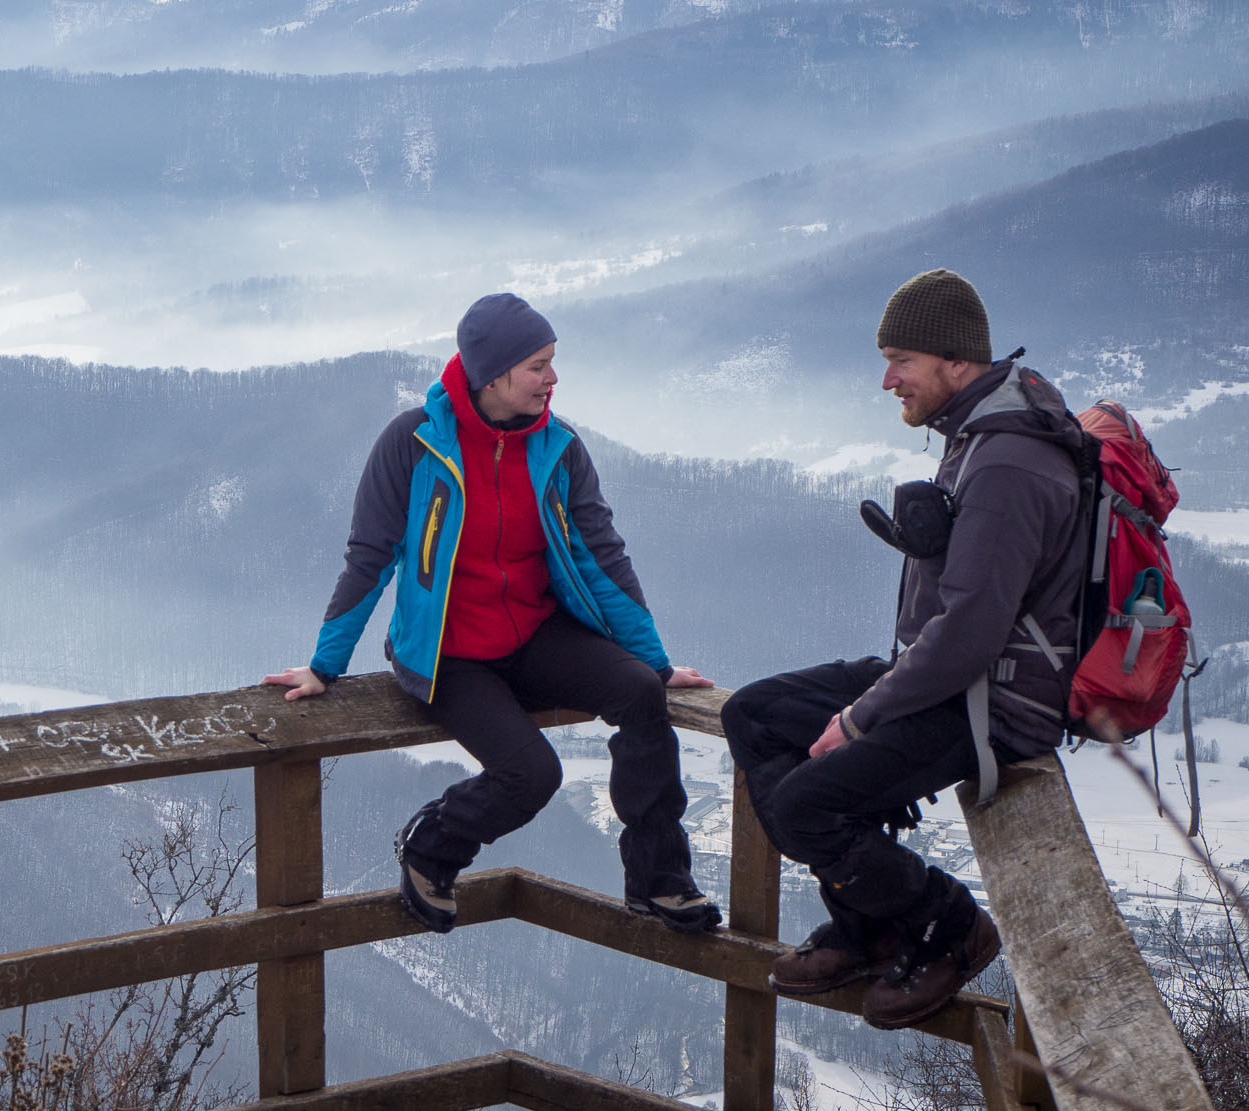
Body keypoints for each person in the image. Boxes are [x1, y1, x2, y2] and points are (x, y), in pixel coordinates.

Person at [263, 291, 720, 936]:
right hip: (450, 653)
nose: (553, 379)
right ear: (492, 374)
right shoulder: (414, 443)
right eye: (538, 365)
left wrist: (653, 660)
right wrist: (323, 665)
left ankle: (660, 882)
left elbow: (601, 557)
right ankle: (431, 845)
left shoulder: (557, 449)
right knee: (531, 773)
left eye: (552, 362)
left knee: (641, 694)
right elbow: (371, 556)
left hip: (533, 634)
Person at [721, 269, 1090, 1030]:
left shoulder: (1008, 462)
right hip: (950, 677)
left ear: (956, 362)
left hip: (991, 701)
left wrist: (861, 719)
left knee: (804, 808)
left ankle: (948, 925)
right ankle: (871, 927)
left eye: (902, 360)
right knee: (755, 714)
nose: (887, 379)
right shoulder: (982, 430)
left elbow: (969, 633)